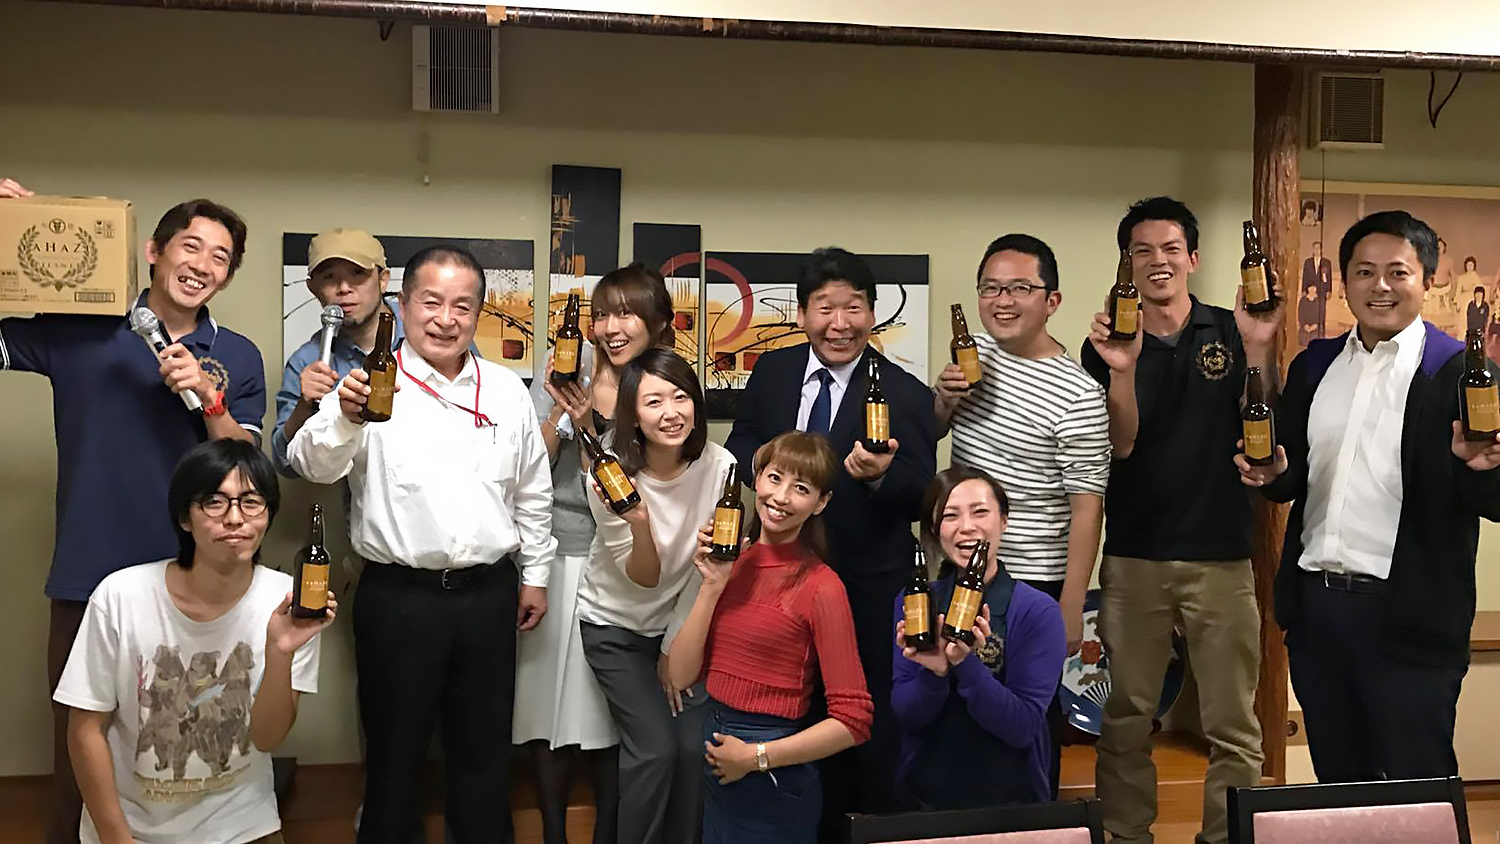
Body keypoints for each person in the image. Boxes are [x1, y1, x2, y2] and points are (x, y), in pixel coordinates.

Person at [1, 197, 265, 844]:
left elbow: (249, 467)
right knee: (77, 739)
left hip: (192, 580)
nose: (202, 265)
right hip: (87, 571)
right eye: (191, 246)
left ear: (228, 276)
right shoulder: (79, 329)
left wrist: (209, 397)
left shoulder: (236, 354)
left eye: (220, 257)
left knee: (182, 737)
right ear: (154, 251)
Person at [288, 245, 554, 844]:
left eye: (463, 306)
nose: (446, 319)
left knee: (485, 750)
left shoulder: (506, 391)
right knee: (394, 752)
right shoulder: (368, 385)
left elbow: (531, 490)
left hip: (488, 593)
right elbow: (309, 464)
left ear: (479, 313)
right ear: (402, 305)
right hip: (399, 598)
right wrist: (346, 418)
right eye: (431, 302)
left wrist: (536, 574)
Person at [1237, 210, 1500, 782]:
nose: (1380, 285)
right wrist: (1273, 473)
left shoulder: (1462, 373)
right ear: (1345, 281)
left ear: (1427, 280)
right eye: (1363, 271)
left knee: (1417, 785)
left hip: (1412, 614)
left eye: (1397, 272)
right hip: (1320, 613)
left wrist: (1483, 468)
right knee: (1340, 783)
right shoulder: (1316, 365)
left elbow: (1494, 498)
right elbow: (1290, 477)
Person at [1081, 197, 1277, 844]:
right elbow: (1120, 444)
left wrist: (1257, 348)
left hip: (1221, 556)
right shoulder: (1106, 341)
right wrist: (1122, 368)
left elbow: (1262, 420)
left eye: (1170, 248)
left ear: (1192, 258)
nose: (1157, 261)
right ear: (1127, 264)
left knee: (1233, 725)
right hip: (1134, 555)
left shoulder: (1231, 328)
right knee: (1126, 717)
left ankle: (1224, 838)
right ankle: (1126, 836)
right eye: (1142, 251)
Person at [725, 246, 936, 839]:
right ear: (801, 314)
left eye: (854, 307)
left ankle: (861, 830)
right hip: (776, 579)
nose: (839, 323)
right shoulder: (773, 371)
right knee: (784, 709)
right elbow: (741, 442)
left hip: (865, 584)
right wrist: (772, 472)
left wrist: (881, 477)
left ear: (872, 313)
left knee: (862, 723)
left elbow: (921, 496)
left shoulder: (905, 392)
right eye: (825, 308)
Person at [53, 438, 331, 844]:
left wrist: (279, 652)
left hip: (243, 825)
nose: (234, 518)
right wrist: (116, 838)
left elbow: (267, 739)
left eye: (251, 502)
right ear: (185, 517)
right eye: (214, 502)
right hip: (131, 828)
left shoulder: (289, 603)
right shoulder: (120, 596)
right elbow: (84, 730)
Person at [930, 233, 1108, 797]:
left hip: (1032, 581)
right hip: (959, 565)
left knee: (1027, 721)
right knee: (954, 705)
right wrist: (943, 401)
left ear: (1052, 301)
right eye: (990, 288)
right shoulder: (974, 354)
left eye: (1019, 288)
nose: (1002, 300)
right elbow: (932, 432)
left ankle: (1036, 825)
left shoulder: (1079, 394)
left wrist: (1071, 606)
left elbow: (1088, 507)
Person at [516, 263, 677, 844]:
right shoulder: (565, 366)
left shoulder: (662, 386)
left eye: (627, 314)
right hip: (556, 553)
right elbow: (527, 465)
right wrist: (560, 412)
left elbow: (637, 483)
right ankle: (553, 834)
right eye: (603, 313)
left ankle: (608, 831)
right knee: (545, 708)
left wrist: (591, 427)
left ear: (656, 323)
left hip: (623, 560)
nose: (612, 327)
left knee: (608, 710)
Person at [667, 431, 873, 844]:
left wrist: (755, 757)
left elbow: (853, 721)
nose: (780, 497)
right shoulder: (732, 564)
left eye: (801, 488)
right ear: (756, 478)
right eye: (775, 478)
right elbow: (680, 676)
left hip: (773, 769)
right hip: (716, 751)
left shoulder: (822, 586)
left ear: (821, 503)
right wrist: (711, 586)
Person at [575, 348, 735, 844]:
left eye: (681, 397)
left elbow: (709, 569)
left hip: (681, 626)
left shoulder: (719, 466)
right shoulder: (609, 476)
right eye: (654, 402)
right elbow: (641, 578)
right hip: (614, 628)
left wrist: (672, 646)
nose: (671, 413)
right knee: (655, 749)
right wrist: (639, 522)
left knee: (692, 748)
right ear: (632, 415)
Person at [891, 466, 1066, 809]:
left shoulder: (1036, 610)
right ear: (935, 529)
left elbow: (1022, 727)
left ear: (1004, 521)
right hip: (923, 798)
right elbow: (907, 715)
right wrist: (935, 673)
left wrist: (964, 664)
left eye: (980, 512)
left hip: (1010, 801)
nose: (966, 526)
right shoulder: (916, 603)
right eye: (950, 516)